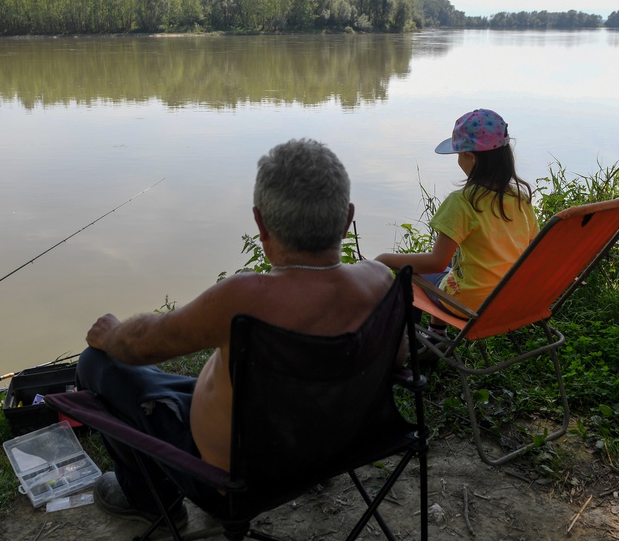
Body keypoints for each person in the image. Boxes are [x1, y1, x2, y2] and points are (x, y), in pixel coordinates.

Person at [77, 138, 394, 525]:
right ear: (347, 219)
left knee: (97, 363)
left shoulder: (243, 298)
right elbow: (398, 357)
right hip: (331, 449)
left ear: (260, 223)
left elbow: (140, 346)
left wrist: (111, 334)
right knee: (173, 384)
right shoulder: (380, 282)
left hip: (232, 479)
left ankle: (151, 501)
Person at [375, 109, 538, 326]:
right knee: (451, 270)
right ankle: (438, 336)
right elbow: (532, 249)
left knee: (413, 272)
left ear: (470, 157)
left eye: (459, 155)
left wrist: (384, 258)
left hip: (470, 304)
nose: (459, 160)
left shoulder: (462, 202)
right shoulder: (520, 199)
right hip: (510, 299)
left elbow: (436, 262)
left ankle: (411, 340)